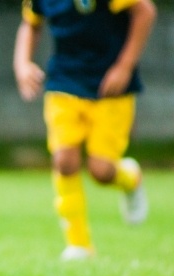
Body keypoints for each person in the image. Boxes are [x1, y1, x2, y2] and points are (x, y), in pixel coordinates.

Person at [13, 0, 157, 260]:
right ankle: (78, 244)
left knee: (101, 171)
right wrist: (22, 63)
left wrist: (124, 66)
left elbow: (145, 11)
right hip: (64, 82)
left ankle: (131, 178)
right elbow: (31, 23)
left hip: (109, 86)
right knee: (64, 160)